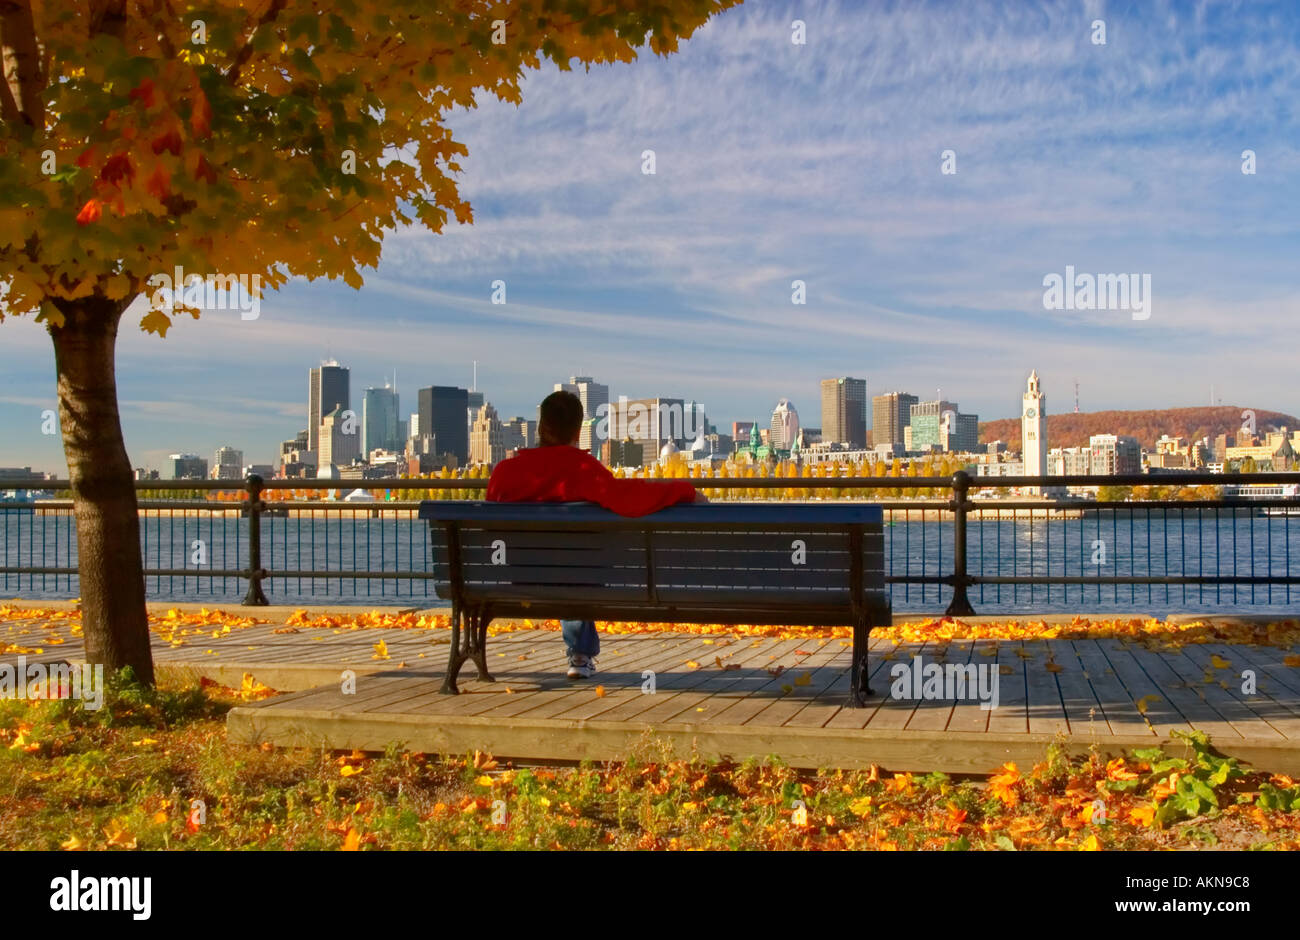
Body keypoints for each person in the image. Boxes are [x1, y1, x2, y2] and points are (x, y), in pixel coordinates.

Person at [486, 390, 704, 678]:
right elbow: (629, 500)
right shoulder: (582, 469)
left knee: (564, 563)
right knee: (574, 566)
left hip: (513, 577)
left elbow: (488, 528)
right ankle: (579, 655)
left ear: (540, 427)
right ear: (577, 432)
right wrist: (685, 490)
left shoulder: (505, 472)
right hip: (575, 576)